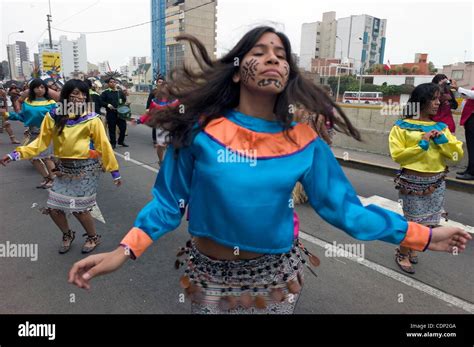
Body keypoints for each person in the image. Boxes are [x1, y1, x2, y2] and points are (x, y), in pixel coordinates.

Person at [68, 27, 470, 314]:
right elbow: (168, 203)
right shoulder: (199, 130)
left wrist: (425, 235)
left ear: (288, 72)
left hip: (274, 281)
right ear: (240, 66)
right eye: (260, 51)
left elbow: (347, 212)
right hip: (207, 278)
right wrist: (125, 251)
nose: (273, 57)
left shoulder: (304, 141)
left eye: (281, 53)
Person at [1, 79, 122, 254]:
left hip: (87, 168)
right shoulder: (53, 116)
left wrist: (115, 172)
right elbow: (40, 144)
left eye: (81, 94)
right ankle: (67, 234)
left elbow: (103, 145)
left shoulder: (92, 119)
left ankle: (93, 237)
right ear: (65, 97)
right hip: (64, 169)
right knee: (53, 209)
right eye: (73, 93)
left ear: (86, 98)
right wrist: (15, 154)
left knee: (80, 209)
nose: (77, 97)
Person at [388, 83, 464, 274]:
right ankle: (402, 253)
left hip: (437, 182)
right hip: (412, 183)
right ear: (421, 100)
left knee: (429, 222)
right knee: (412, 222)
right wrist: (422, 144)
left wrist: (442, 142)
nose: (438, 103)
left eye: (440, 99)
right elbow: (398, 155)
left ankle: (413, 247)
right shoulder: (401, 127)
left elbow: (456, 155)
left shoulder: (441, 127)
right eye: (434, 99)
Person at [1, 79, 57, 188]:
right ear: (32, 89)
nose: (39, 89)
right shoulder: (28, 102)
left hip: (47, 134)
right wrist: (6, 114)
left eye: (42, 87)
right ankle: (47, 177)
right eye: (36, 87)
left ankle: (54, 179)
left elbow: (58, 119)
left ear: (45, 89)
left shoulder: (52, 103)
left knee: (47, 158)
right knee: (32, 157)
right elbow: (22, 117)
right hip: (32, 133)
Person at [135, 82, 179, 164]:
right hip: (161, 126)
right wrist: (139, 120)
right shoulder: (155, 101)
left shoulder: (176, 101)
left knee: (173, 145)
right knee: (161, 146)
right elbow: (149, 113)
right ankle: (161, 160)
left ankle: (171, 162)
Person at [451, 81, 474, 180]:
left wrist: (458, 88)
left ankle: (472, 173)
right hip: (470, 118)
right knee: (471, 146)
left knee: (472, 146)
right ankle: (470, 170)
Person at [101, 78, 128, 148]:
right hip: (111, 113)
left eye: (114, 82)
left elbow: (124, 100)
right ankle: (113, 143)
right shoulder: (105, 93)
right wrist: (107, 105)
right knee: (111, 128)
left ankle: (120, 141)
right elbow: (101, 101)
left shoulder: (119, 92)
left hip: (120, 112)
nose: (113, 83)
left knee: (123, 128)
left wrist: (125, 104)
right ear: (108, 84)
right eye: (111, 82)